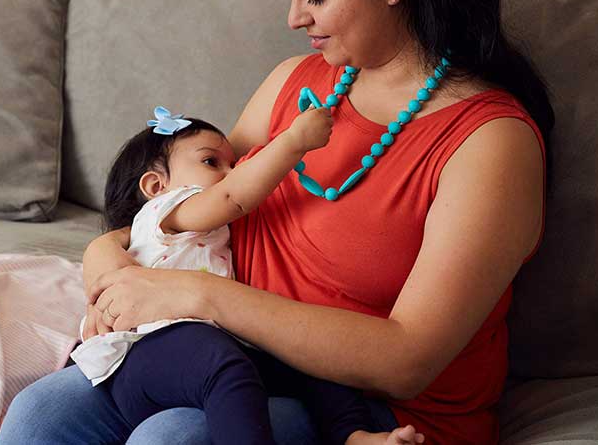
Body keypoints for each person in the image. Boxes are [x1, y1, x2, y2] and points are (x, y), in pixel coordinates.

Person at [0, 0, 554, 444]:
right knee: (41, 410)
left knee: (173, 437)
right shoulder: (296, 82)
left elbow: (406, 362)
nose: (294, 18)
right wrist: (108, 269)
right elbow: (190, 204)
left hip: (367, 408)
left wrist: (198, 295)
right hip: (228, 358)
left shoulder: (490, 143)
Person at [63, 106, 421, 445]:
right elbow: (232, 197)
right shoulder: (168, 209)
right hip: (149, 352)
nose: (231, 172)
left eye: (233, 163)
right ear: (156, 187)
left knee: (311, 365)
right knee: (226, 369)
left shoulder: (191, 223)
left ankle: (351, 434)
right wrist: (293, 142)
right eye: (210, 161)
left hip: (201, 347)